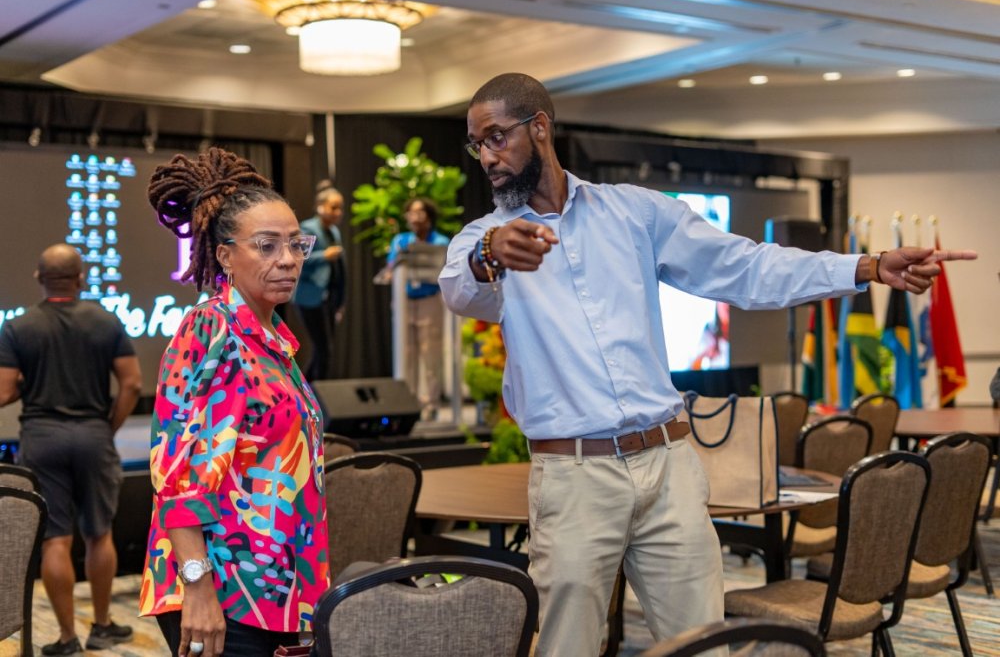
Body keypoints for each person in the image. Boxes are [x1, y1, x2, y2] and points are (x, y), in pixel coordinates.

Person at [438, 72, 978, 656]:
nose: (486, 157)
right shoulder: (485, 237)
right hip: (574, 476)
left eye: (496, 138)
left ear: (539, 127)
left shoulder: (635, 212)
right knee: (566, 647)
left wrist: (867, 267)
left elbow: (747, 268)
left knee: (703, 645)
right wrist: (490, 255)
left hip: (667, 466)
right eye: (477, 145)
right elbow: (460, 289)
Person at [141, 148, 328, 657]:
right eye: (266, 246)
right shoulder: (213, 329)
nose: (288, 259)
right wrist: (198, 587)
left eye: (296, 244)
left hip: (276, 589)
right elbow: (178, 469)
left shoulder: (274, 340)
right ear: (225, 256)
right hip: (225, 590)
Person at [0, 243, 142, 656]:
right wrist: (108, 426)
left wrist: (28, 383)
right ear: (81, 278)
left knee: (55, 541)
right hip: (93, 435)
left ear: (39, 278)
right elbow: (133, 384)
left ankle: (66, 639)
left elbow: (3, 391)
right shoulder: (106, 320)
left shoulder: (18, 326)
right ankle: (102, 626)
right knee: (99, 534)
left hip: (42, 437)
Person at [386, 197, 451, 420]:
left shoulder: (440, 242)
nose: (414, 217)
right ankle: (409, 404)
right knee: (406, 354)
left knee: (430, 354)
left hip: (429, 301)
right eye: (410, 213)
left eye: (419, 212)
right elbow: (390, 268)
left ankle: (431, 404)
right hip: (404, 301)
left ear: (429, 218)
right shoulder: (400, 241)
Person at [293, 182, 346, 381]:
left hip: (330, 298)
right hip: (310, 297)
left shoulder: (335, 232)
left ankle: (305, 390)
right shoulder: (307, 228)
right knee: (324, 349)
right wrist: (324, 255)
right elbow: (297, 259)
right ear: (320, 206)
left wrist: (340, 301)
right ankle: (315, 392)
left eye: (340, 207)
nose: (338, 212)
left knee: (323, 349)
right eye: (334, 207)